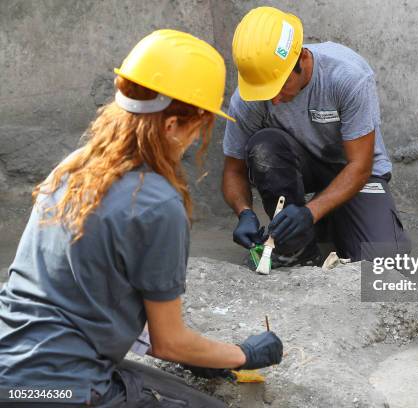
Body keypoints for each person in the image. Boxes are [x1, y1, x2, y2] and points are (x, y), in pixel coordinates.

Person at [0, 30, 282, 407]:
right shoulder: (157, 204)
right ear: (171, 126)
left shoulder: (73, 166)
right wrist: (243, 353)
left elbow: (90, 290)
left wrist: (203, 356)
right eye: (200, 126)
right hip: (63, 389)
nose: (197, 139)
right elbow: (170, 343)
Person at [222, 6, 411, 268]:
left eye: (279, 86)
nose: (274, 99)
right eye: (266, 92)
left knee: (384, 266)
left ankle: (326, 217)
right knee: (264, 146)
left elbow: (360, 167)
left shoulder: (346, 77)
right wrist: (244, 212)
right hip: (302, 168)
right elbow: (233, 171)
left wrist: (310, 213)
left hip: (354, 171)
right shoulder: (249, 99)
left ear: (301, 57)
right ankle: (297, 250)